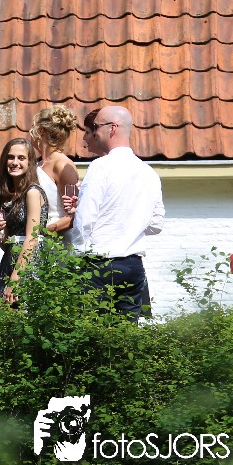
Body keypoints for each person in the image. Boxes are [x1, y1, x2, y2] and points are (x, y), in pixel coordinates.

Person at [66, 105, 163, 319]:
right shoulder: (149, 173)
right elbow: (156, 224)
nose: (94, 132)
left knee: (91, 331)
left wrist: (76, 257)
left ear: (112, 128)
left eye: (96, 126)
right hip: (133, 266)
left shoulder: (100, 167)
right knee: (126, 333)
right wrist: (129, 226)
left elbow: (85, 220)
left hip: (99, 264)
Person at [0, 138, 48, 303]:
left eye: (21, 158)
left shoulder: (32, 192)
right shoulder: (8, 196)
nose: (15, 162)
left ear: (30, 162)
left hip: (28, 266)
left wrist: (16, 278)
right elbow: (8, 245)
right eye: (10, 157)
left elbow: (32, 238)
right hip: (10, 262)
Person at [30, 105, 81, 234]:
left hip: (57, 240)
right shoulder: (39, 164)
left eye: (32, 128)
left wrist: (40, 232)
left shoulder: (62, 165)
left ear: (41, 131)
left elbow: (74, 215)